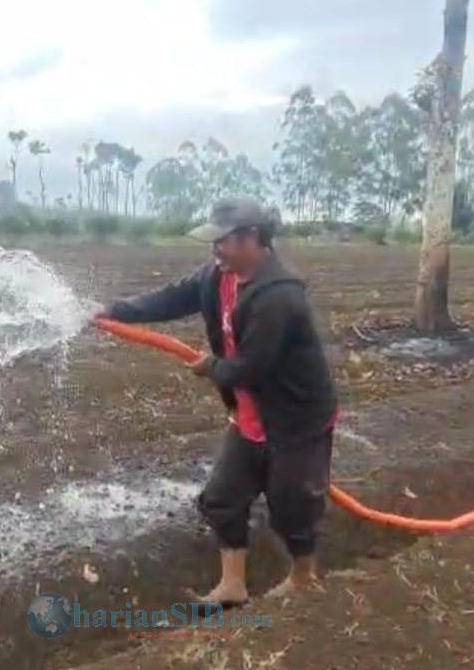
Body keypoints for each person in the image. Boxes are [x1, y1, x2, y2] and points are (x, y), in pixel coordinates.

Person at [95, 197, 338, 606]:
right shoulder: (217, 275)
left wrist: (210, 367)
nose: (214, 249)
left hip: (295, 418)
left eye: (222, 241)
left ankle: (303, 578)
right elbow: (173, 297)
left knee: (292, 503)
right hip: (249, 412)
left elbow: (251, 367)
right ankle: (233, 585)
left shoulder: (279, 297)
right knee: (222, 496)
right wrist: (116, 311)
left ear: (252, 238)